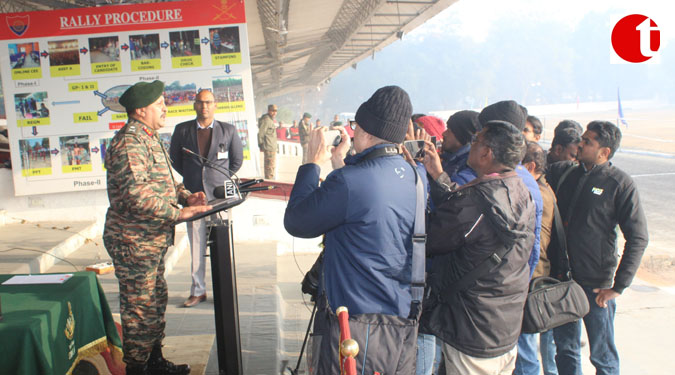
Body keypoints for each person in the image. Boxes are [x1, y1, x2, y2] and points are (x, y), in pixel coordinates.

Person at [284, 86, 419, 374]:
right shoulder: (416, 176)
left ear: (366, 131)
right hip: (401, 322)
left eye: (355, 126)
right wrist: (342, 167)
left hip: (353, 327)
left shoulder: (350, 182)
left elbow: (297, 221)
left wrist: (311, 161)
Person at [103, 80, 211, 375]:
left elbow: (161, 182)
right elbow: (137, 195)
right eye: (159, 103)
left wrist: (186, 194)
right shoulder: (129, 143)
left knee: (154, 300)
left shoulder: (148, 137)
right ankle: (137, 368)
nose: (166, 107)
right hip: (133, 240)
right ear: (140, 110)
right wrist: (178, 213)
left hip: (148, 240)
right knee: (139, 310)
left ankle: (154, 361)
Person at [420, 120, 535, 375]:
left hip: (471, 328)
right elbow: (468, 220)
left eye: (476, 141)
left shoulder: (476, 201)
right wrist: (439, 177)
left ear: (487, 153)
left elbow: (430, 239)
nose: (471, 146)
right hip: (504, 325)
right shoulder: (520, 190)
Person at [547, 121, 648, 375]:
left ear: (604, 152)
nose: (580, 144)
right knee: (566, 349)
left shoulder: (620, 183)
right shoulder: (566, 174)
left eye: (588, 141)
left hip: (597, 287)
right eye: (582, 138)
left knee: (602, 355)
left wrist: (618, 286)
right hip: (563, 281)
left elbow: (638, 237)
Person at [169, 89, 243, 308]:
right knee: (197, 246)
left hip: (220, 196)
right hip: (194, 197)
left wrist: (217, 179)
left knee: (222, 244)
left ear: (215, 105)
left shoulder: (228, 131)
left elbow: (236, 161)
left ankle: (225, 291)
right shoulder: (182, 131)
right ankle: (197, 290)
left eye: (208, 102)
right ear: (194, 105)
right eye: (200, 103)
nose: (204, 107)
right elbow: (175, 160)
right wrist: (193, 179)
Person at [521, 141, 559, 375]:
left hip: (532, 278)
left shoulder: (536, 193)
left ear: (531, 166)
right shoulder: (542, 188)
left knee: (525, 349)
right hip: (533, 274)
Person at [258, 104, 278, 179]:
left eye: (276, 111)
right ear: (269, 111)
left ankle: (270, 179)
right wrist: (261, 145)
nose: (274, 113)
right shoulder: (266, 120)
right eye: (273, 111)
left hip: (271, 146)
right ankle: (269, 182)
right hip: (268, 147)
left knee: (271, 167)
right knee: (269, 167)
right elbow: (261, 134)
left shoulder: (270, 120)